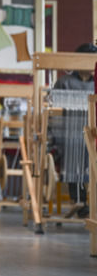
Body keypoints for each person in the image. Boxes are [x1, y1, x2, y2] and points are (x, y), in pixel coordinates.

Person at [51, 42, 96, 217]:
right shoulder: (64, 82)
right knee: (73, 151)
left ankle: (89, 203)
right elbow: (52, 110)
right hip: (67, 135)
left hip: (92, 133)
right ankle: (79, 200)